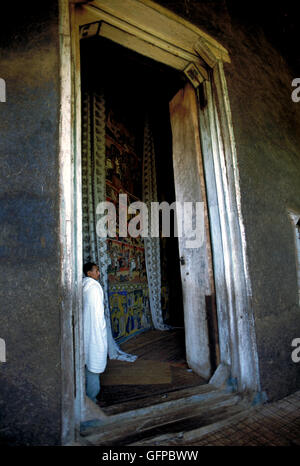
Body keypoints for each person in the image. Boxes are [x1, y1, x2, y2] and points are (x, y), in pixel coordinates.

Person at [82, 262, 108, 403]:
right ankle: (91, 398)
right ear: (89, 273)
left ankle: (88, 395)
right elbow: (96, 314)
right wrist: (100, 331)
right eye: (96, 271)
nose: (99, 273)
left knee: (88, 362)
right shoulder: (93, 288)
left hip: (87, 330)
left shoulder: (85, 286)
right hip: (94, 331)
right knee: (93, 361)